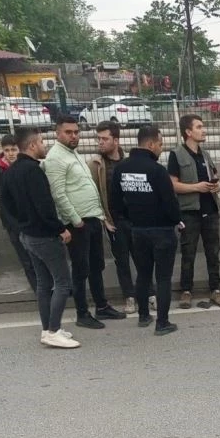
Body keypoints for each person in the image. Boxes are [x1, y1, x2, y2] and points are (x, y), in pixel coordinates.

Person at [41, 114, 126, 329]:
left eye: (76, 132)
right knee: (81, 270)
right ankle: (82, 313)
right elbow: (58, 194)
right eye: (68, 132)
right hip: (78, 223)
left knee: (96, 266)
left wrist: (100, 216)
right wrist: (76, 220)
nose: (74, 136)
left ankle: (102, 306)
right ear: (57, 133)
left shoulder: (73, 153)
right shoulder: (55, 158)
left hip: (92, 218)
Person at [0, 127, 79, 349]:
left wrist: (21, 226)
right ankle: (53, 331)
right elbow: (45, 207)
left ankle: (48, 329)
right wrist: (60, 229)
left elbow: (6, 205)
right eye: (42, 142)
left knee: (44, 283)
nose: (45, 145)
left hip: (27, 235)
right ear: (33, 145)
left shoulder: (10, 172)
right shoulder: (33, 171)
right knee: (62, 282)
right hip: (44, 236)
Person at [110, 125, 182, 336]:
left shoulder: (121, 168)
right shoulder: (157, 170)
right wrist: (176, 220)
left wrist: (130, 217)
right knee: (163, 278)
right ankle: (162, 322)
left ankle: (143, 315)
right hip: (162, 230)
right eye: (160, 144)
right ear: (150, 144)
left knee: (142, 274)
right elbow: (170, 203)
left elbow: (115, 201)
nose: (161, 148)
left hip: (137, 230)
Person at [89, 120, 156, 315]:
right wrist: (104, 219)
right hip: (114, 221)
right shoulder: (96, 164)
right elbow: (94, 194)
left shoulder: (129, 161)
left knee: (143, 258)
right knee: (122, 261)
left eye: (105, 138)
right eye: (99, 139)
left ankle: (150, 294)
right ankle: (129, 297)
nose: (100, 142)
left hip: (135, 219)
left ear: (116, 140)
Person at [167, 114, 220, 310]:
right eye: (199, 127)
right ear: (188, 132)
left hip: (210, 210)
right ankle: (186, 291)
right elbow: (172, 185)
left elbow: (216, 177)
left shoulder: (205, 154)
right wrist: (196, 187)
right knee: (188, 253)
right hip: (189, 212)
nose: (203, 130)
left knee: (213, 252)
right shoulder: (176, 155)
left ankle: (216, 289)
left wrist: (217, 186)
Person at [0, 134, 38, 292]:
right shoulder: (0, 171)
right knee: (27, 261)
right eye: (7, 150)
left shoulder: (25, 166)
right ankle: (39, 293)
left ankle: (48, 289)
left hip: (30, 220)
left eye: (13, 149)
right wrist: (14, 225)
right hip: (14, 223)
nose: (10, 153)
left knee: (38, 257)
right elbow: (3, 201)